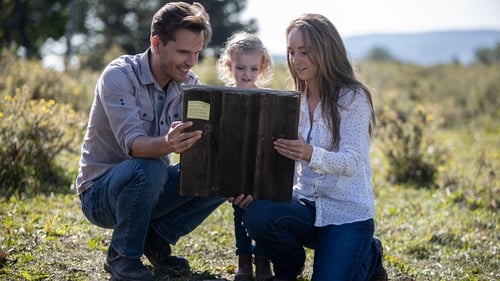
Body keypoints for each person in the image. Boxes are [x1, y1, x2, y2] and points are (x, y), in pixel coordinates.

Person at [74, 2, 227, 281]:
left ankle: (155, 239)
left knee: (221, 169)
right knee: (150, 167)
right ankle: (122, 257)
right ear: (156, 43)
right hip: (99, 195)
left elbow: (207, 143)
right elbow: (134, 146)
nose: (191, 62)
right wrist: (169, 144)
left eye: (197, 52)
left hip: (149, 188)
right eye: (183, 52)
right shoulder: (119, 76)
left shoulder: (188, 83)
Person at [237, 13, 388, 281]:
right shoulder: (294, 100)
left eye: (304, 52)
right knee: (259, 214)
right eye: (292, 52)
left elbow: (353, 162)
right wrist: (253, 190)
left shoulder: (353, 97)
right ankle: (289, 267)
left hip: (347, 215)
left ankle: (370, 253)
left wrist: (309, 153)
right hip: (305, 206)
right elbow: (278, 158)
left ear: (325, 50)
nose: (296, 60)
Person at [216, 31, 274, 281]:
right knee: (240, 213)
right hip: (235, 167)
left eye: (253, 68)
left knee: (261, 213)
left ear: (262, 69)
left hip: (262, 168)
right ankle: (243, 262)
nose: (246, 74)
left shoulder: (269, 99)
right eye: (240, 67)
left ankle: (263, 261)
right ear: (229, 67)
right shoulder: (224, 99)